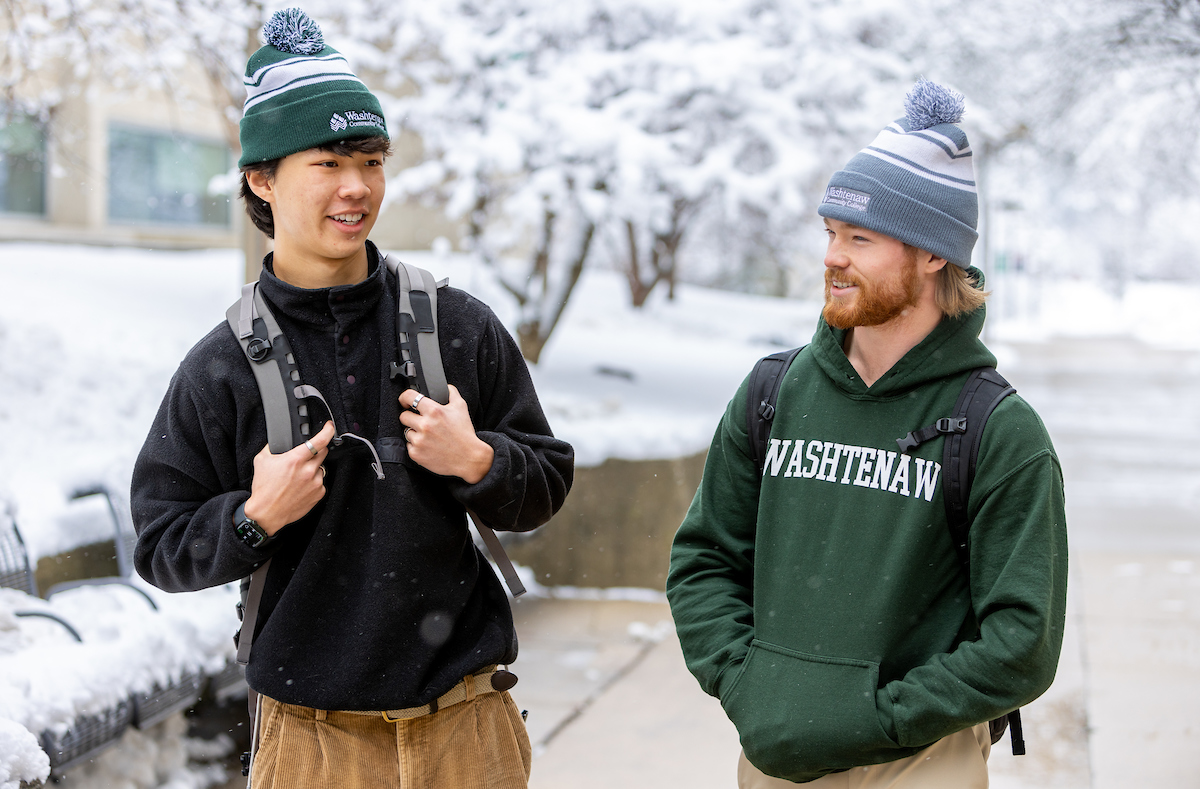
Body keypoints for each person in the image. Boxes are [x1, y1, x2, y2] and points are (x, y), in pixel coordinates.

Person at [130, 9, 573, 789]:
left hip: (467, 727)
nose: (357, 186)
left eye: (372, 160)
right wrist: (253, 517)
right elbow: (161, 543)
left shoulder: (456, 326)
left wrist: (478, 460)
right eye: (329, 162)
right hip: (311, 746)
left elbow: (547, 479)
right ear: (261, 178)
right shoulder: (222, 366)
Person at [666, 79, 1067, 788]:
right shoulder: (773, 393)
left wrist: (882, 717)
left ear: (934, 254)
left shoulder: (998, 431)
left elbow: (1021, 643)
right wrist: (750, 687)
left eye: (861, 238)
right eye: (829, 232)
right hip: (772, 762)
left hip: (920, 761)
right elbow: (703, 561)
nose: (832, 256)